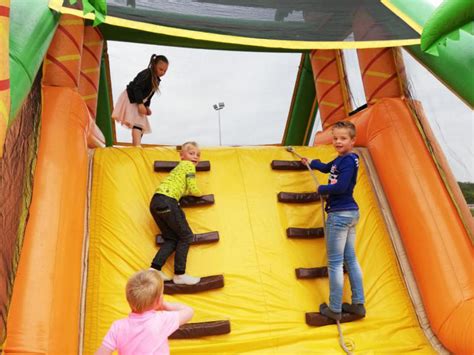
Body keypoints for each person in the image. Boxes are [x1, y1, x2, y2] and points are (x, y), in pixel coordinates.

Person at [301, 121, 366, 321]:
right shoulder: (341, 159)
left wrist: (322, 190)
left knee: (336, 263)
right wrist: (312, 162)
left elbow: (341, 187)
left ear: (352, 140)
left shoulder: (348, 161)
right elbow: (328, 168)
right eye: (335, 138)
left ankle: (335, 308)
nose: (338, 141)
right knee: (351, 259)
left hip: (340, 214)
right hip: (349, 213)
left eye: (343, 138)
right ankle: (358, 304)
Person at [95, 269, 194, 355]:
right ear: (159, 300)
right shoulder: (161, 320)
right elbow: (189, 311)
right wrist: (167, 305)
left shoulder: (117, 327)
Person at [149, 141, 203, 285]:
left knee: (172, 239)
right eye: (191, 153)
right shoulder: (188, 165)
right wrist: (199, 193)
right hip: (168, 201)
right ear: (182, 155)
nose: (195, 157)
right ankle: (180, 274)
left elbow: (183, 189)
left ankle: (154, 269)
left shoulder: (178, 170)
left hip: (156, 202)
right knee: (186, 236)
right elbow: (192, 188)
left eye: (198, 155)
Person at [112, 54, 169, 147]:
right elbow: (137, 87)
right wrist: (140, 104)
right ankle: (137, 145)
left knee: (141, 123)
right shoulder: (146, 74)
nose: (163, 72)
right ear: (154, 65)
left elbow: (149, 95)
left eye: (165, 71)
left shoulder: (156, 80)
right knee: (139, 122)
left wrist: (147, 106)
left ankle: (137, 144)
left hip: (138, 100)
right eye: (161, 69)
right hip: (131, 98)